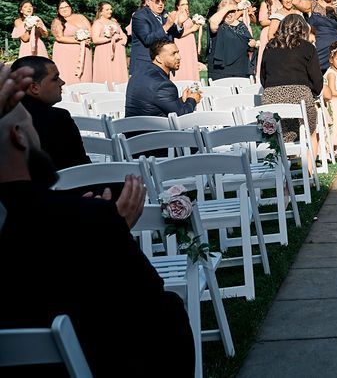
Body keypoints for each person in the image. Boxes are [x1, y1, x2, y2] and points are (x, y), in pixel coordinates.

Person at [0, 64, 195, 377]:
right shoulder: (89, 218)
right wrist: (108, 233)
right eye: (32, 126)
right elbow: (156, 315)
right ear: (19, 137)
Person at [260, 14, 322, 167]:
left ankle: (282, 171)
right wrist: (312, 93)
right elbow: (316, 79)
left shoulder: (269, 46)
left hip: (271, 99)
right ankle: (308, 173)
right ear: (303, 29)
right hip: (300, 98)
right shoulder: (308, 47)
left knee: (278, 135)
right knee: (311, 132)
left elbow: (263, 78)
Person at [10, 56, 89, 171]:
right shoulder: (58, 118)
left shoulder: (6, 115)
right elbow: (80, 167)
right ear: (34, 87)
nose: (62, 82)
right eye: (55, 78)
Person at [125, 40, 202, 118]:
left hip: (130, 128)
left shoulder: (137, 75)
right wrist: (192, 100)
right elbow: (181, 116)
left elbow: (155, 105)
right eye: (173, 54)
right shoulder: (164, 85)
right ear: (158, 58)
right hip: (156, 129)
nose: (179, 57)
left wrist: (182, 100)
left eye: (178, 52)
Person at [129, 0, 183, 75]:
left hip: (163, 65)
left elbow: (176, 34)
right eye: (157, 1)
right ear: (148, 2)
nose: (161, 4)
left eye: (163, 1)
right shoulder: (140, 16)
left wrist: (180, 24)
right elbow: (147, 39)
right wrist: (166, 26)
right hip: (145, 63)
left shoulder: (164, 14)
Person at [208, 0, 258, 80]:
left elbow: (248, 47)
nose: (230, 14)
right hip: (221, 71)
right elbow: (213, 23)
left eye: (232, 11)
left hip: (242, 70)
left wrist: (252, 45)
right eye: (227, 11)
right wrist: (228, 7)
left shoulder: (241, 25)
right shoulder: (219, 25)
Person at [50, 0, 94, 85]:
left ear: (70, 7)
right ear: (58, 10)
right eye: (61, 8)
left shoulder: (81, 17)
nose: (64, 9)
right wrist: (79, 41)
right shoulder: (57, 21)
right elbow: (59, 37)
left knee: (85, 76)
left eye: (66, 7)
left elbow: (90, 30)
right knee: (69, 75)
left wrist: (88, 39)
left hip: (85, 51)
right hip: (66, 53)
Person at [89, 2, 129, 85]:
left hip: (118, 52)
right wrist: (111, 38)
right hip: (104, 51)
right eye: (107, 9)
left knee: (117, 72)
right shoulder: (97, 23)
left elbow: (123, 34)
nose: (110, 11)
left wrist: (123, 40)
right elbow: (95, 40)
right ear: (101, 12)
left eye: (111, 9)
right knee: (106, 72)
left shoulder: (114, 22)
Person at [255, 0, 284, 79]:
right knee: (265, 55)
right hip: (267, 32)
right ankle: (261, 78)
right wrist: (277, 21)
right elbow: (262, 21)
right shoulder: (265, 3)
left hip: (279, 33)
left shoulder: (281, 2)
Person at [170, 0, 202, 82]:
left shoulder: (188, 16)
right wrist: (192, 29)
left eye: (187, 4)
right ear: (177, 6)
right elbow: (177, 34)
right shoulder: (175, 15)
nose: (185, 6)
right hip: (180, 43)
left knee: (191, 64)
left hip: (190, 43)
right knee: (183, 64)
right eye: (182, 4)